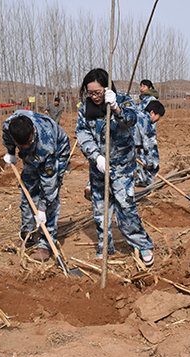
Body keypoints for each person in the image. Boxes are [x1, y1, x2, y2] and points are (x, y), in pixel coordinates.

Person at [76, 68, 154, 266]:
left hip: (122, 166)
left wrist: (117, 108)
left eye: (98, 92)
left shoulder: (123, 100)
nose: (94, 97)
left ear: (107, 88)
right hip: (98, 168)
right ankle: (104, 247)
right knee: (100, 208)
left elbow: (131, 121)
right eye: (90, 93)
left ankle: (142, 243)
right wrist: (96, 157)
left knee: (125, 205)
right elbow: (82, 133)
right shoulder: (85, 108)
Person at [2, 110, 70, 261]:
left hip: (58, 151)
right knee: (28, 193)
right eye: (21, 145)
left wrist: (42, 209)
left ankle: (46, 244)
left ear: (33, 130)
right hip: (32, 155)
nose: (25, 146)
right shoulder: (9, 125)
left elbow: (49, 183)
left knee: (49, 199)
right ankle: (28, 236)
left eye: (28, 143)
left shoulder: (46, 144)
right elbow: (7, 138)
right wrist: (11, 152)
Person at [134, 100, 165, 187]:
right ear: (152, 112)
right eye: (157, 118)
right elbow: (150, 147)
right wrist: (154, 167)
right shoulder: (145, 121)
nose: (156, 121)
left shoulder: (136, 115)